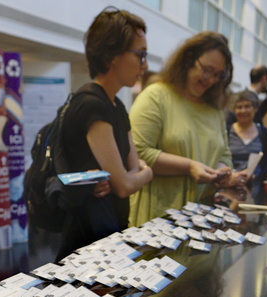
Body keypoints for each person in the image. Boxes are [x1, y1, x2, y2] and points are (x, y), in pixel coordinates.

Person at [55, 7, 153, 261]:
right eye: (140, 55)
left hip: (111, 232)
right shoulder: (91, 104)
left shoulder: (117, 106)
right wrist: (147, 172)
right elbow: (125, 184)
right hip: (87, 241)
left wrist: (130, 175)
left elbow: (130, 171)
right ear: (112, 55)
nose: (145, 65)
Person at [128, 31, 240, 227]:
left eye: (218, 74)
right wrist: (189, 166)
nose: (211, 79)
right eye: (206, 69)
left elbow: (224, 154)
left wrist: (220, 172)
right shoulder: (156, 96)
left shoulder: (214, 109)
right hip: (159, 220)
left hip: (204, 221)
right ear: (188, 60)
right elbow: (138, 153)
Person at [228, 90, 267, 199]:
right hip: (229, 188)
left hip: (256, 190)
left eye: (247, 106)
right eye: (239, 107)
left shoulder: (264, 133)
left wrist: (256, 177)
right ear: (234, 110)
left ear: (255, 108)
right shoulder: (226, 131)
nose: (243, 110)